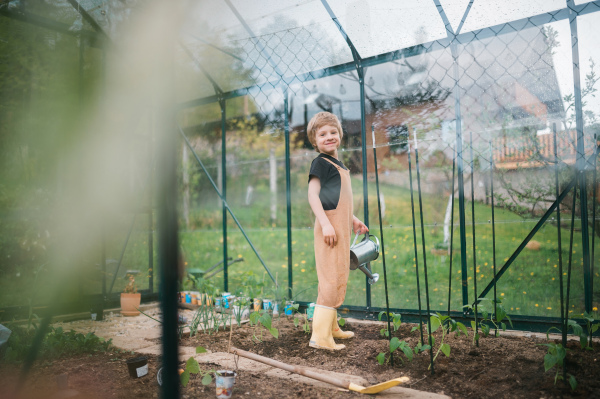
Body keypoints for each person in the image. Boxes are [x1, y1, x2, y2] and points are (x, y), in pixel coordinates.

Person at [306, 111, 368, 351]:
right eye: (322, 134)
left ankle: (331, 328)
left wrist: (352, 219)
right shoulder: (320, 163)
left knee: (337, 275)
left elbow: (335, 199)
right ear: (315, 140)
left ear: (340, 135)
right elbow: (313, 196)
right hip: (329, 229)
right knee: (331, 280)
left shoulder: (337, 164)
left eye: (333, 132)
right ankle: (320, 338)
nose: (329, 137)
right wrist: (326, 224)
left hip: (339, 227)